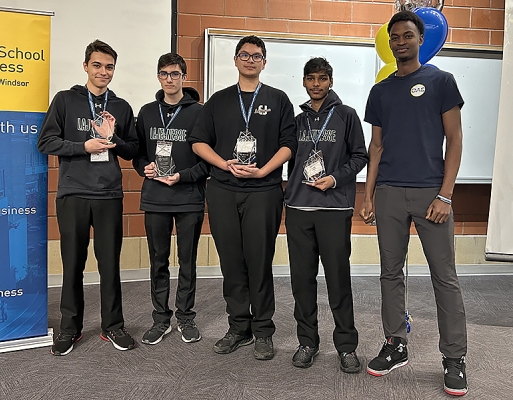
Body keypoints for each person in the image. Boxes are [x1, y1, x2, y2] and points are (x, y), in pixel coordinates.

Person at [359, 11, 468, 396]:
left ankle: (454, 359)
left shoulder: (441, 82)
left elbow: (454, 140)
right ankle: (395, 344)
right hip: (388, 192)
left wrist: (445, 195)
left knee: (445, 277)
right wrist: (368, 194)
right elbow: (377, 146)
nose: (400, 42)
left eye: (407, 35)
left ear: (421, 39)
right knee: (390, 273)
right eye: (395, 37)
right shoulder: (381, 91)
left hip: (430, 195)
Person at [189, 35, 297, 360]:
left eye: (257, 56)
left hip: (263, 191)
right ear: (235, 60)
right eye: (245, 55)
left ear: (264, 62)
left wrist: (264, 171)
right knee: (231, 261)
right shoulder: (218, 101)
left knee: (259, 260)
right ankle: (239, 327)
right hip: (222, 189)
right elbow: (197, 142)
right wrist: (223, 163)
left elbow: (289, 144)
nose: (250, 60)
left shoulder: (278, 100)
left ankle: (263, 330)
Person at [38, 39, 139, 356]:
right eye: (97, 65)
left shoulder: (120, 106)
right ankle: (70, 328)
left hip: (109, 194)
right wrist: (84, 147)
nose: (103, 71)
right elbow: (46, 142)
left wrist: (114, 139)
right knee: (73, 264)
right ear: (85, 66)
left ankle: (113, 326)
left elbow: (132, 150)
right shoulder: (66, 100)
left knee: (110, 264)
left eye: (109, 66)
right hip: (73, 194)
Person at [284, 57, 368, 373]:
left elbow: (360, 156)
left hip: (334, 209)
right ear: (304, 82)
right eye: (311, 79)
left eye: (322, 78)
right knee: (302, 281)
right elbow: (286, 158)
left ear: (330, 81)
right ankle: (307, 342)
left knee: (337, 279)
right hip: (299, 210)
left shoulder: (346, 116)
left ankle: (346, 347)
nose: (316, 84)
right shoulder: (296, 120)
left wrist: (334, 178)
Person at [133, 53, 207, 345]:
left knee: (187, 261)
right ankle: (161, 319)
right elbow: (138, 153)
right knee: (158, 261)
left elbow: (208, 161)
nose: (170, 79)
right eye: (164, 74)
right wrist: (143, 168)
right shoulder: (148, 111)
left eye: (175, 74)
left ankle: (186, 317)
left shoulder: (200, 113)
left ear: (183, 77)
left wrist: (184, 176)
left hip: (188, 196)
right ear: (158, 76)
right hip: (155, 198)